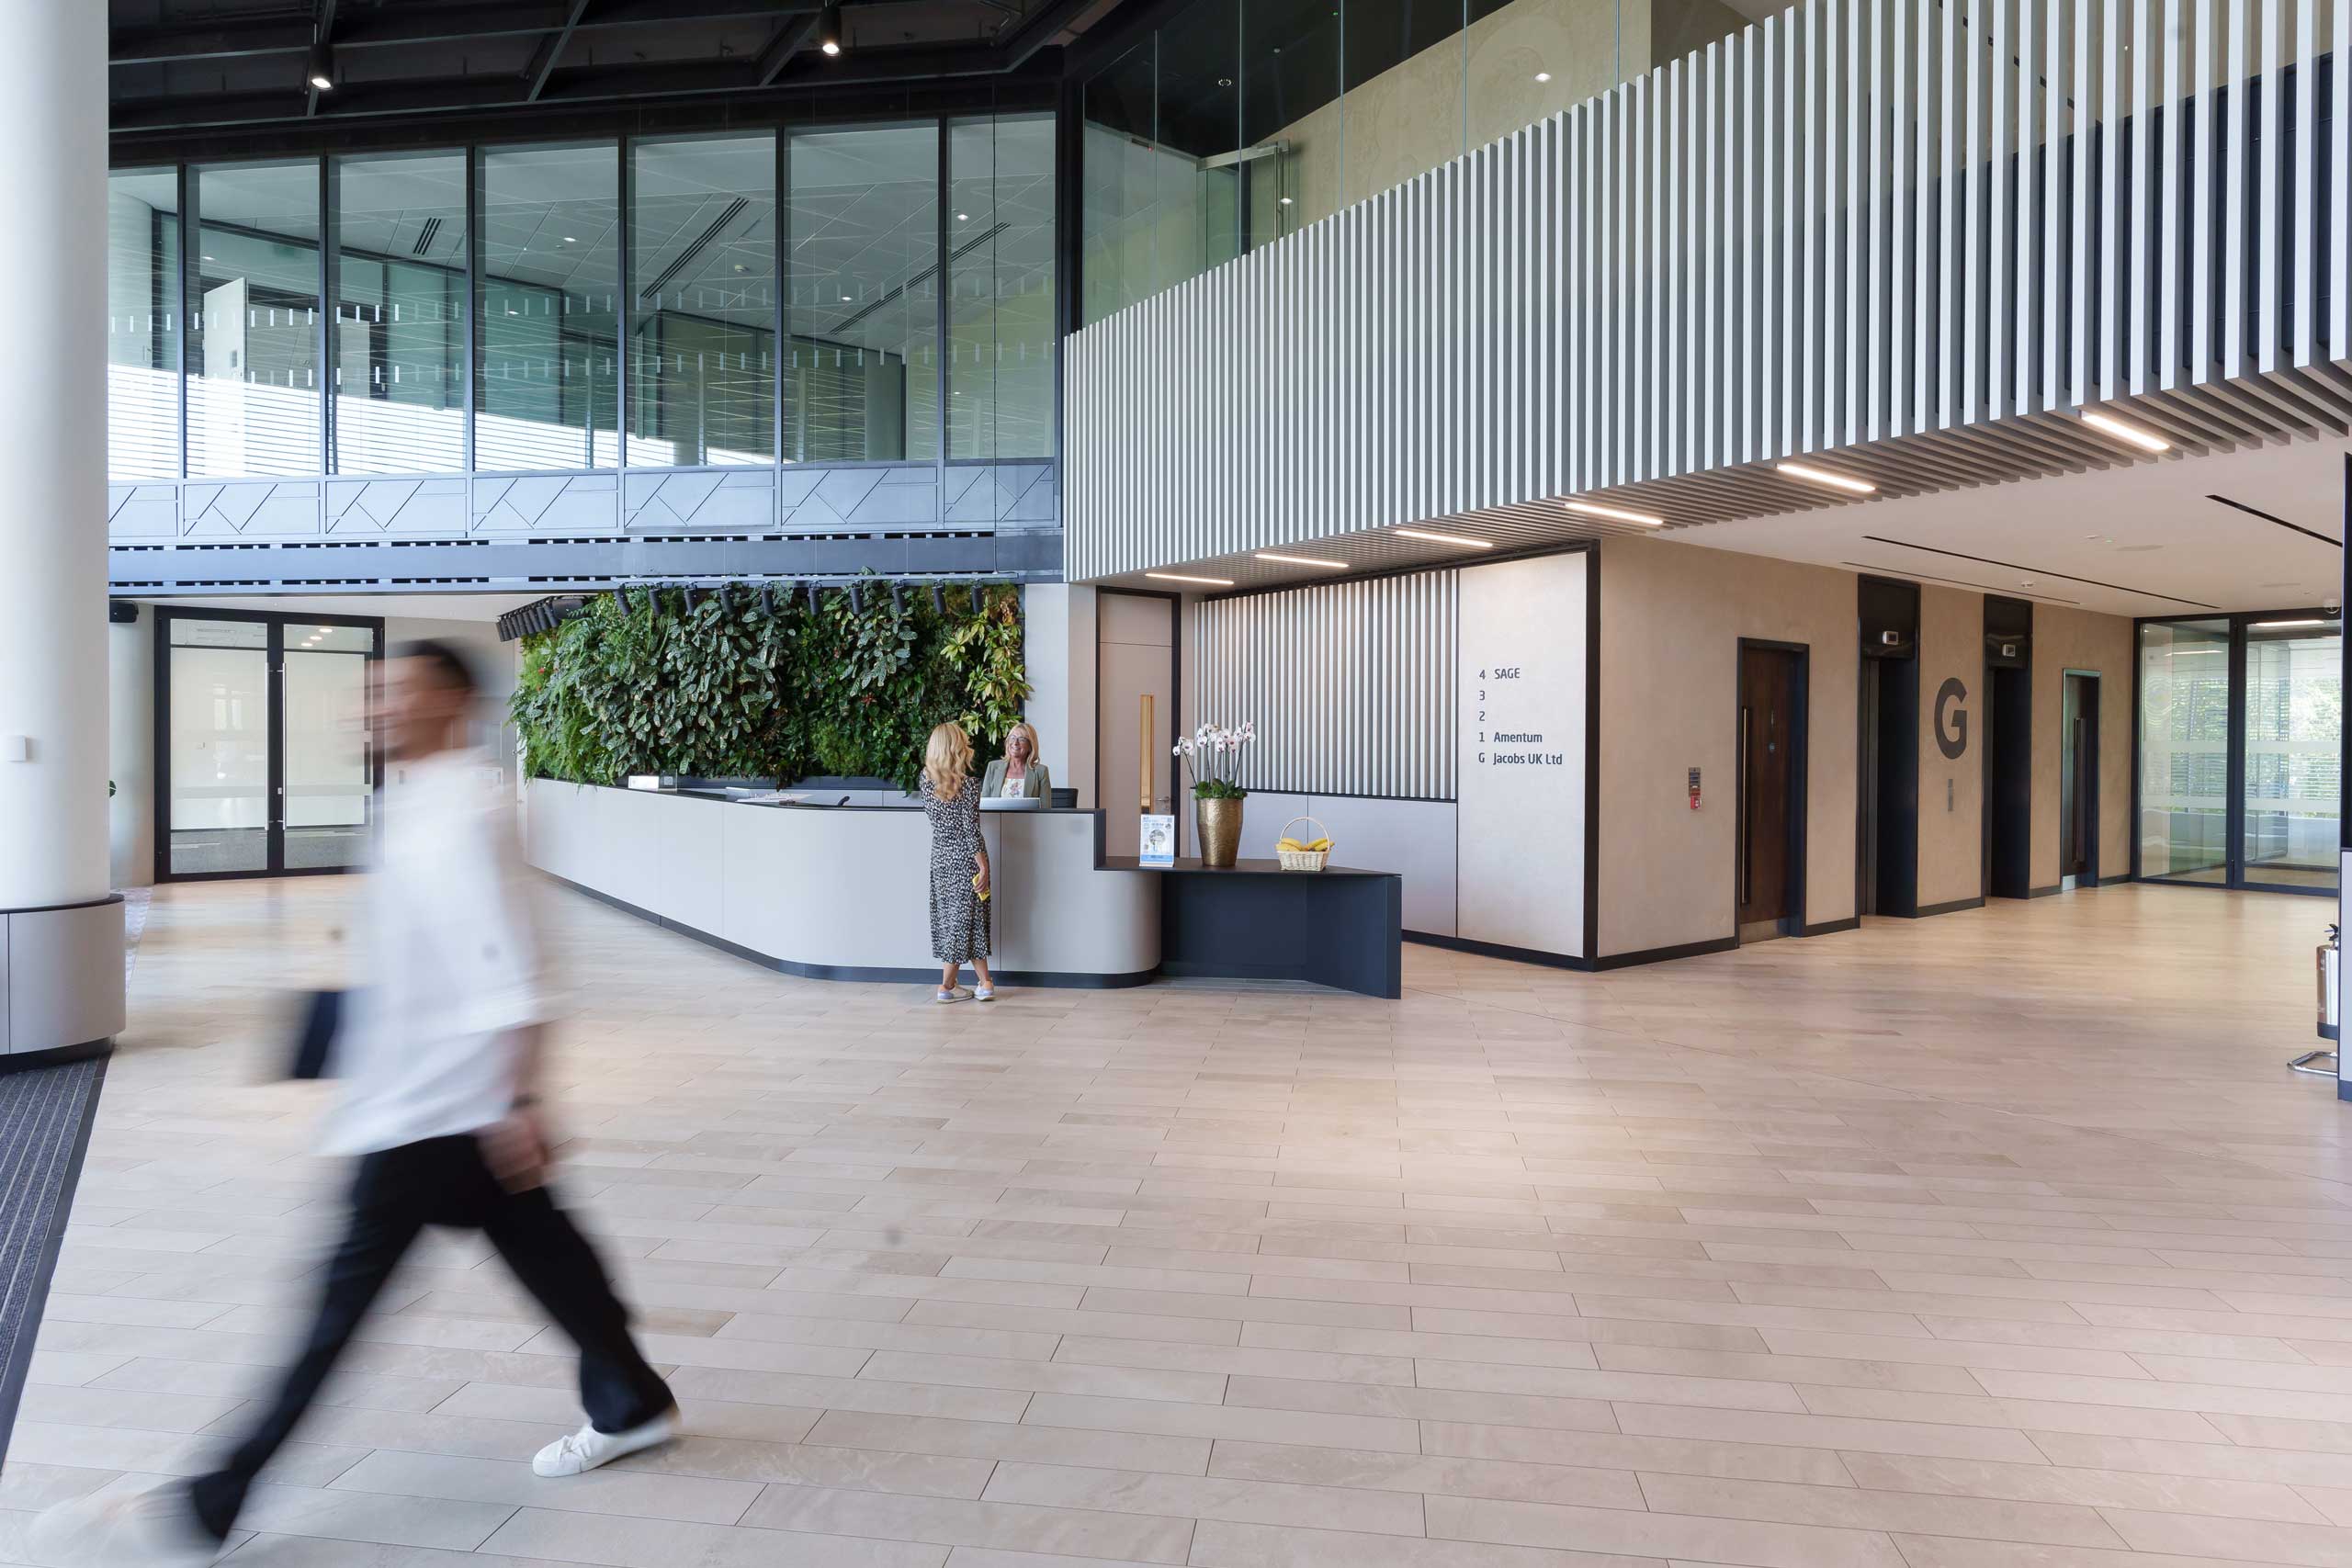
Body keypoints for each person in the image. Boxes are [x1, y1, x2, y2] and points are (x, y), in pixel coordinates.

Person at [33, 640, 679, 1568]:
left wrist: (519, 1097)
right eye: (374, 691)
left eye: (399, 692)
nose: (374, 706)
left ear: (455, 704)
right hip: (432, 1106)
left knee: (333, 1317)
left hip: (439, 1114)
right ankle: (632, 1401)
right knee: (557, 1265)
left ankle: (205, 1510)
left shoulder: (467, 807)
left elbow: (511, 964)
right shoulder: (416, 799)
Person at [920, 720, 996, 1003]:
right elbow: (970, 829)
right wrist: (983, 865)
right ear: (956, 747)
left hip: (940, 858)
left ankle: (985, 982)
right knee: (962, 920)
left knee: (963, 919)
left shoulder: (925, 780)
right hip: (966, 859)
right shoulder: (969, 786)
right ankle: (947, 986)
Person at [980, 720, 1052, 801]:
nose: (1015, 743)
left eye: (1022, 739)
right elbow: (983, 804)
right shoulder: (993, 767)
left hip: (1029, 814)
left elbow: (1046, 810)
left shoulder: (1041, 772)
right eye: (1013, 737)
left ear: (1030, 746)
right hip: (997, 814)